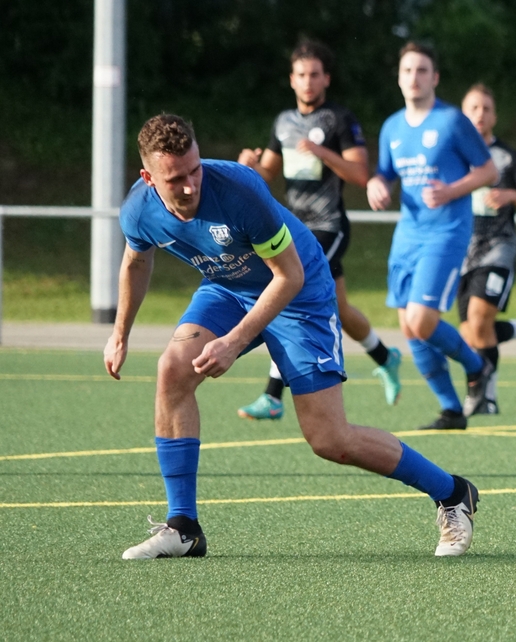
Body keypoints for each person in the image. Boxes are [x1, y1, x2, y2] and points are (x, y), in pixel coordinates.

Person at [105, 114, 478, 560]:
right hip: (228, 289)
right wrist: (119, 334)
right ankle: (183, 527)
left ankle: (453, 492)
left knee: (330, 440)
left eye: (195, 170)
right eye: (175, 179)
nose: (189, 186)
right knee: (173, 369)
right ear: (148, 178)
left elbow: (289, 275)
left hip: (300, 292)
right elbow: (136, 262)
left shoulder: (239, 190)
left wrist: (234, 341)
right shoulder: (139, 208)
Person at [235, 39, 401, 419]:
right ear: (291, 80)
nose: (308, 82)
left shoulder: (339, 120)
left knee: (288, 289)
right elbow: (267, 174)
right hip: (293, 227)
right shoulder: (283, 122)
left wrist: (322, 152)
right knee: (340, 307)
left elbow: (360, 173)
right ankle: (385, 357)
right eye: (301, 75)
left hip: (329, 226)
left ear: (326, 78)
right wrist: (249, 165)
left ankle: (273, 395)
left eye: (314, 75)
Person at [367, 42, 499, 430]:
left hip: (446, 232)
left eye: (422, 70)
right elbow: (385, 173)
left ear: (435, 77)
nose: (414, 77)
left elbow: (488, 171)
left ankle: (477, 366)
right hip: (407, 234)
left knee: (422, 321)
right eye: (407, 70)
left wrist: (451, 191)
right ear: (399, 78)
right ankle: (452, 410)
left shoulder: (451, 121)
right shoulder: (392, 127)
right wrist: (377, 184)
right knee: (409, 328)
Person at [457, 83, 516, 416]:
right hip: (461, 251)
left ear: (494, 116)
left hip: (498, 247)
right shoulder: (453, 155)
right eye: (473, 108)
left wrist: (511, 195)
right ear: (463, 115)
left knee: (478, 320)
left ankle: (487, 398)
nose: (480, 114)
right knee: (470, 332)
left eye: (486, 108)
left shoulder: (507, 158)